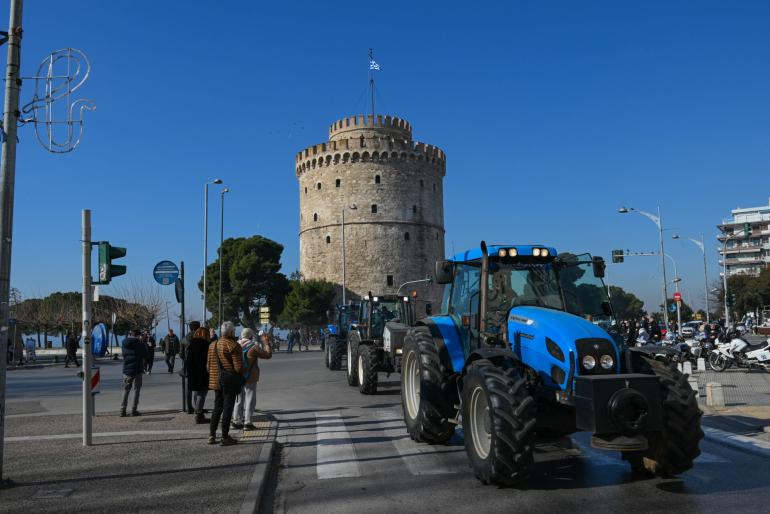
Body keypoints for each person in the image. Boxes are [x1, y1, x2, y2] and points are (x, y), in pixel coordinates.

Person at [207, 321, 243, 445]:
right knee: (228, 408)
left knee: (217, 407)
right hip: (229, 382)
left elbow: (208, 366)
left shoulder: (212, 345)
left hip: (216, 381)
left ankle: (212, 435)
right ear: (231, 332)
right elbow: (238, 368)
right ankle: (224, 437)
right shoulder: (233, 345)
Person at [232, 328, 272, 430]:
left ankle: (236, 421)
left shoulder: (235, 345)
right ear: (250, 336)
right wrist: (266, 343)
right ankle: (248, 423)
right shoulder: (254, 347)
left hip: (237, 376)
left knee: (238, 399)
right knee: (250, 399)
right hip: (250, 377)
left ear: (241, 336)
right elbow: (268, 355)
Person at [121, 329, 148, 417]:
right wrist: (143, 342)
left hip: (127, 370)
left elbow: (124, 354)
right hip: (137, 369)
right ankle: (134, 410)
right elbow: (145, 354)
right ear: (138, 335)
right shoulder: (139, 343)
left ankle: (122, 410)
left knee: (126, 390)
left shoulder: (124, 343)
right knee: (136, 390)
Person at [187, 325, 211, 424]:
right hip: (202, 372)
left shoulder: (191, 344)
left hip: (193, 372)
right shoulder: (206, 345)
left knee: (196, 392)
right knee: (202, 393)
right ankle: (199, 414)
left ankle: (198, 411)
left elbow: (188, 359)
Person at [180, 321, 202, 414]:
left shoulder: (184, 339)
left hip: (187, 366)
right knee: (197, 388)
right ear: (198, 328)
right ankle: (197, 407)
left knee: (188, 388)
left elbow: (181, 354)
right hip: (197, 366)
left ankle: (189, 408)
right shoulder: (200, 339)